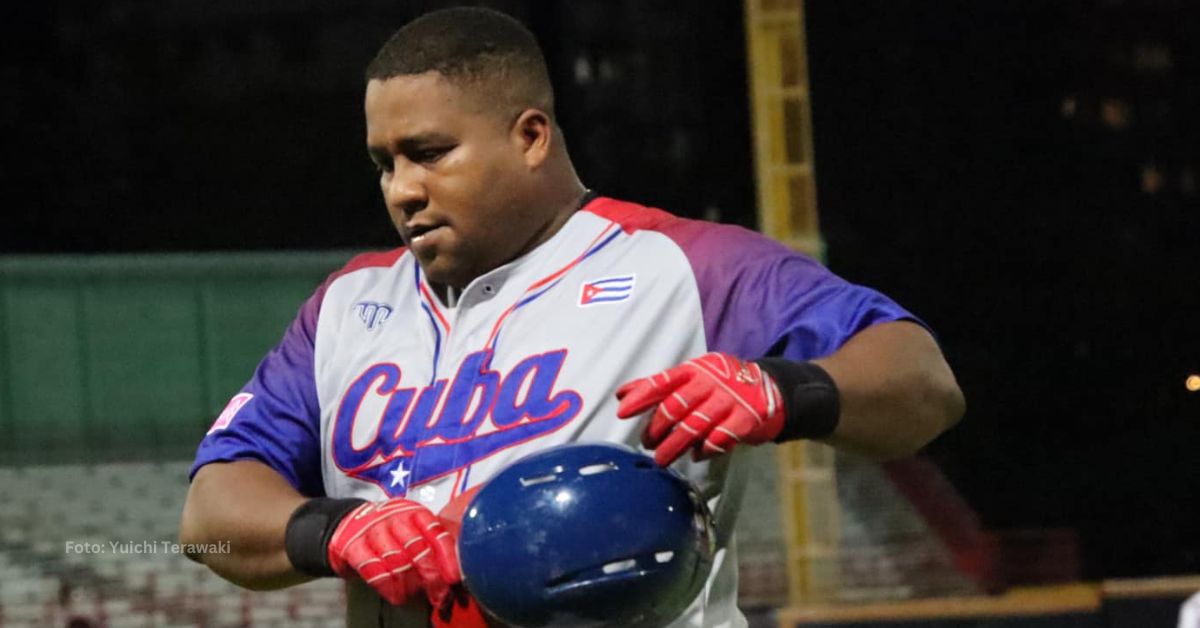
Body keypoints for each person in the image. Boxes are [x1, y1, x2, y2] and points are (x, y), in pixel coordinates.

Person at [178, 7, 965, 627]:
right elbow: (209, 516)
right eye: (385, 163)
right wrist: (331, 529)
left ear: (529, 137)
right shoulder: (346, 306)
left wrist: (785, 390)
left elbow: (923, 381)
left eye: (429, 152)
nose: (401, 189)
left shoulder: (685, 266)